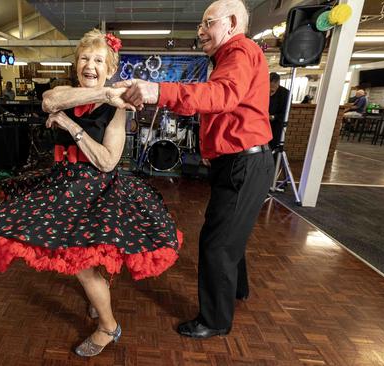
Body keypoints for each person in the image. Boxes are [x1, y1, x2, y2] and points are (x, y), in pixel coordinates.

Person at [0, 29, 182, 357]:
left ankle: (109, 327)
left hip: (94, 188)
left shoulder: (116, 109)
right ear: (76, 64)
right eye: (84, 58)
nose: (90, 65)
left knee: (82, 263)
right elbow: (50, 102)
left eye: (98, 60)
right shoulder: (64, 92)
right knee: (87, 259)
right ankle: (99, 300)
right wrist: (96, 97)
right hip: (61, 184)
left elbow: (107, 162)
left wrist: (70, 125)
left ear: (109, 69)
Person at [115, 0, 274, 338]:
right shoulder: (231, 56)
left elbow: (224, 96)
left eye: (207, 22)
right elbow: (228, 109)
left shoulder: (240, 51)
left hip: (244, 163)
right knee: (231, 233)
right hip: (240, 161)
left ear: (230, 23)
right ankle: (236, 290)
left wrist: (158, 90)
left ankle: (215, 321)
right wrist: (210, 149)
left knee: (216, 244)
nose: (200, 30)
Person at [268, 72, 290, 151]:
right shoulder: (261, 89)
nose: (270, 93)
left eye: (272, 91)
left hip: (276, 126)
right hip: (262, 125)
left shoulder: (286, 94)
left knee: (273, 150)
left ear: (277, 84)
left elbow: (285, 113)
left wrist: (273, 117)